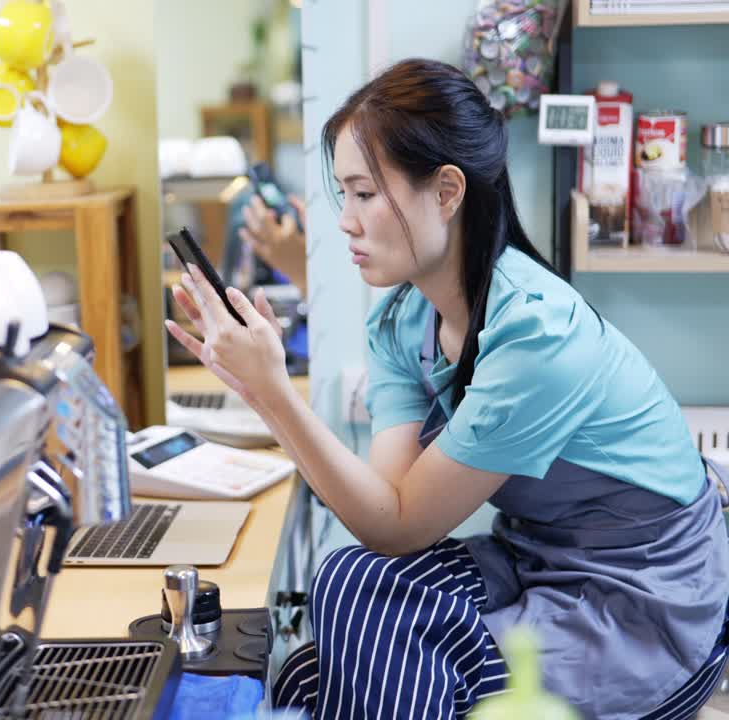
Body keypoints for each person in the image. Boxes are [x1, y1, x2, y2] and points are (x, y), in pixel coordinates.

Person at [166, 58, 729, 719]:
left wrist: (273, 394)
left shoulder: (537, 335)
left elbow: (398, 527)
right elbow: (384, 506)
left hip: (642, 602)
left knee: (340, 667)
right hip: (535, 558)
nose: (346, 221)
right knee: (343, 592)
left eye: (365, 193)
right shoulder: (403, 321)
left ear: (446, 191)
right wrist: (263, 389)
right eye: (344, 194)